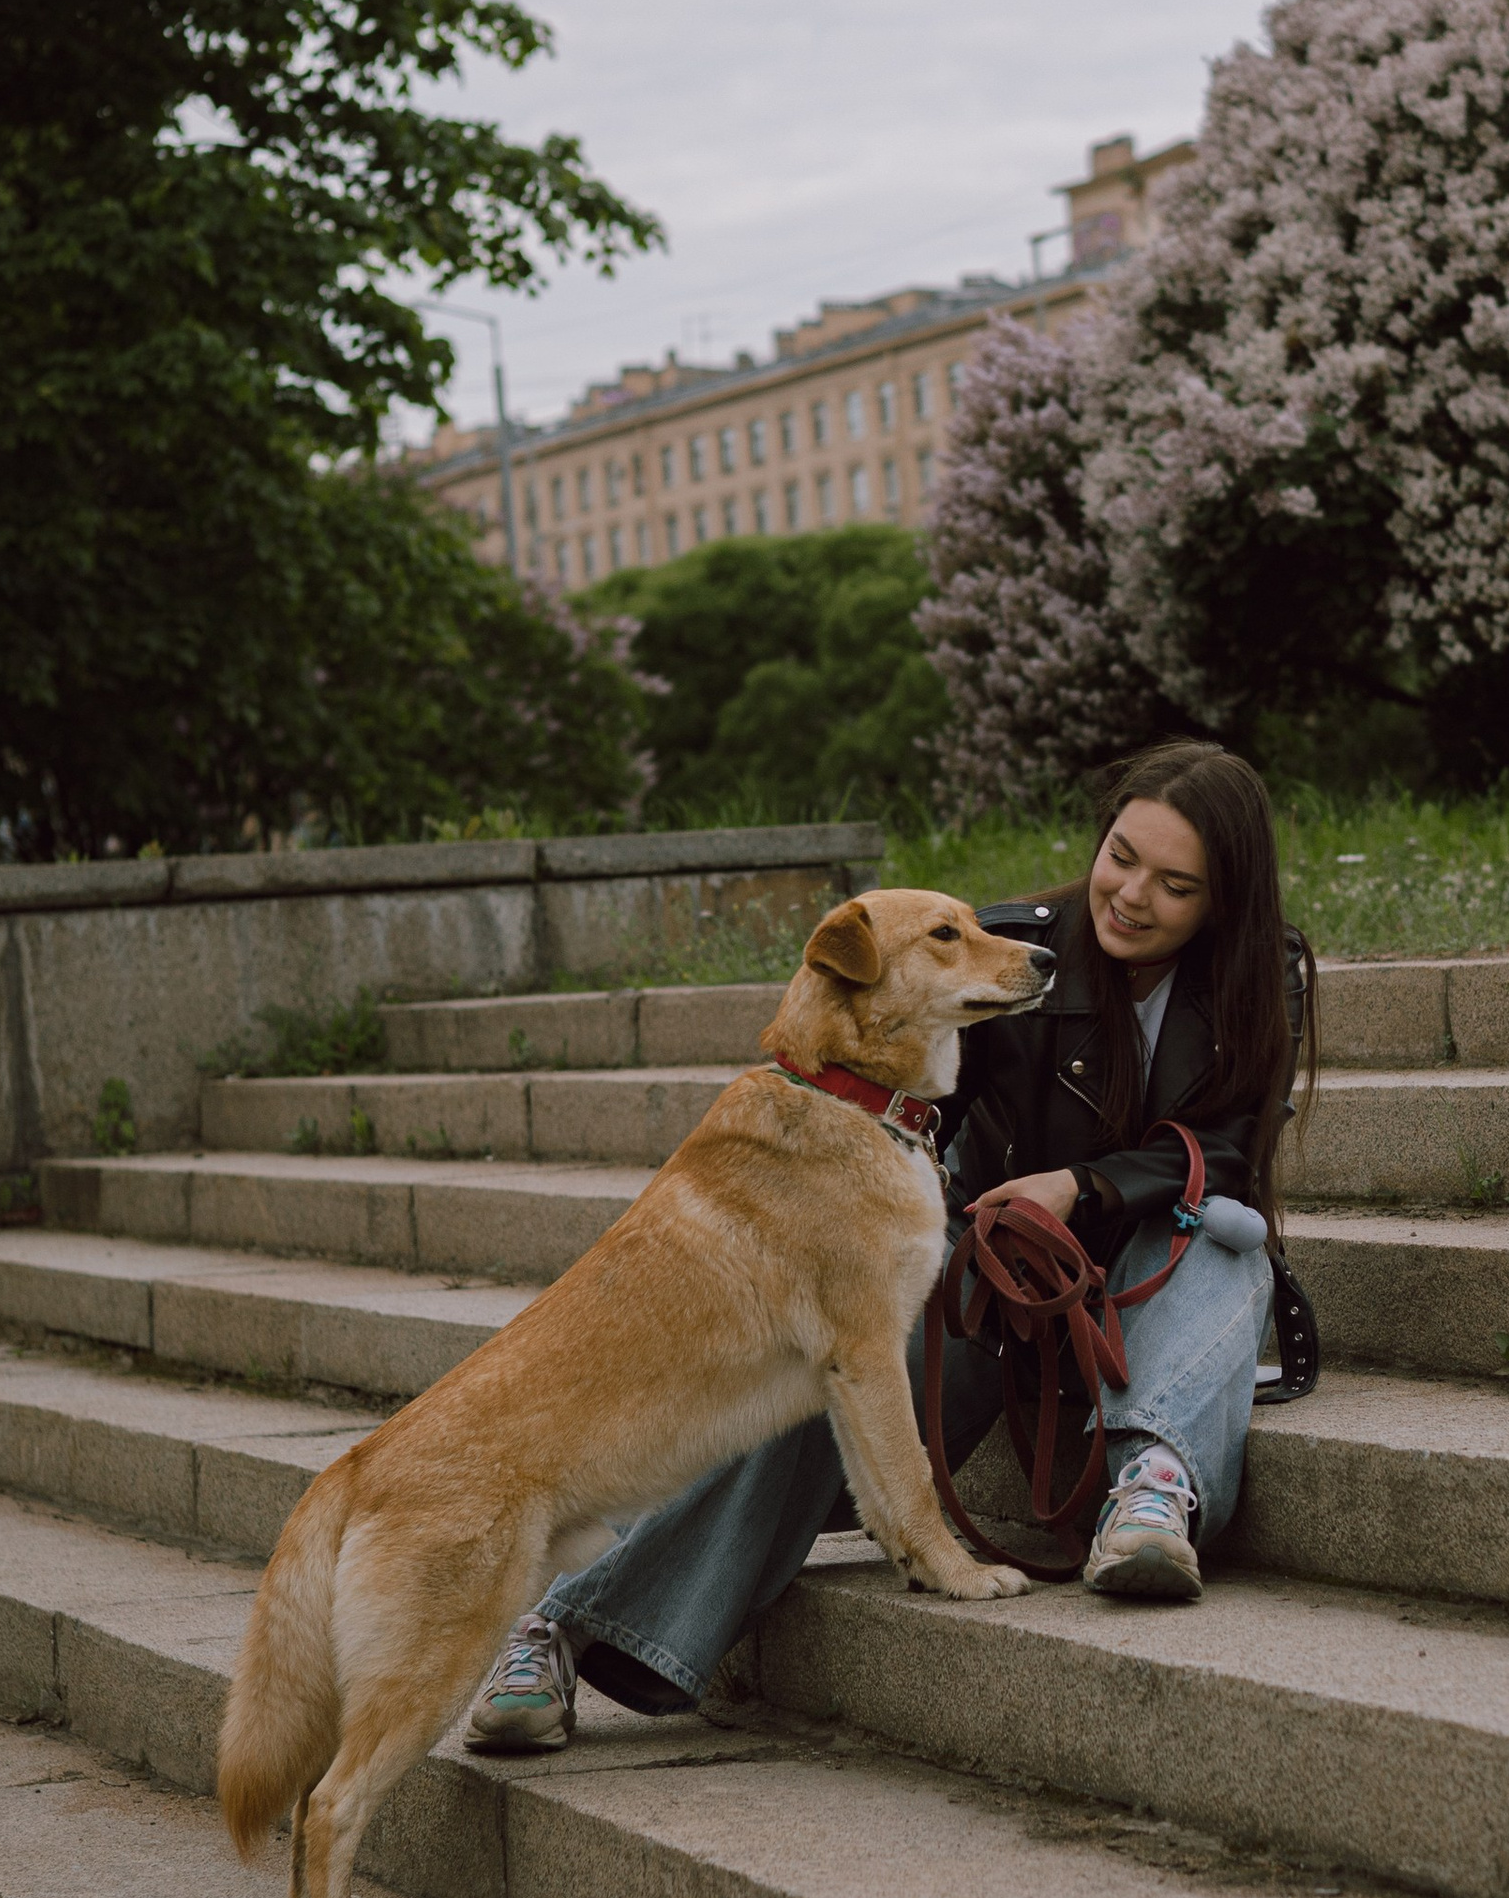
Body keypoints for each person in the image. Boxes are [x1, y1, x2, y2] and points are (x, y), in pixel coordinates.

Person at [461, 739, 1315, 1752]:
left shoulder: (1266, 978)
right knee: (819, 1363)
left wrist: (1080, 1185)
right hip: (994, 1296)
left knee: (1227, 1233)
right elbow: (900, 1112)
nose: (1130, 896)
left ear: (1224, 901)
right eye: (1120, 855)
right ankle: (560, 1623)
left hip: (1159, 1293)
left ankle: (1154, 1492)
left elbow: (1222, 1157)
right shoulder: (1002, 952)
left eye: (1175, 886)